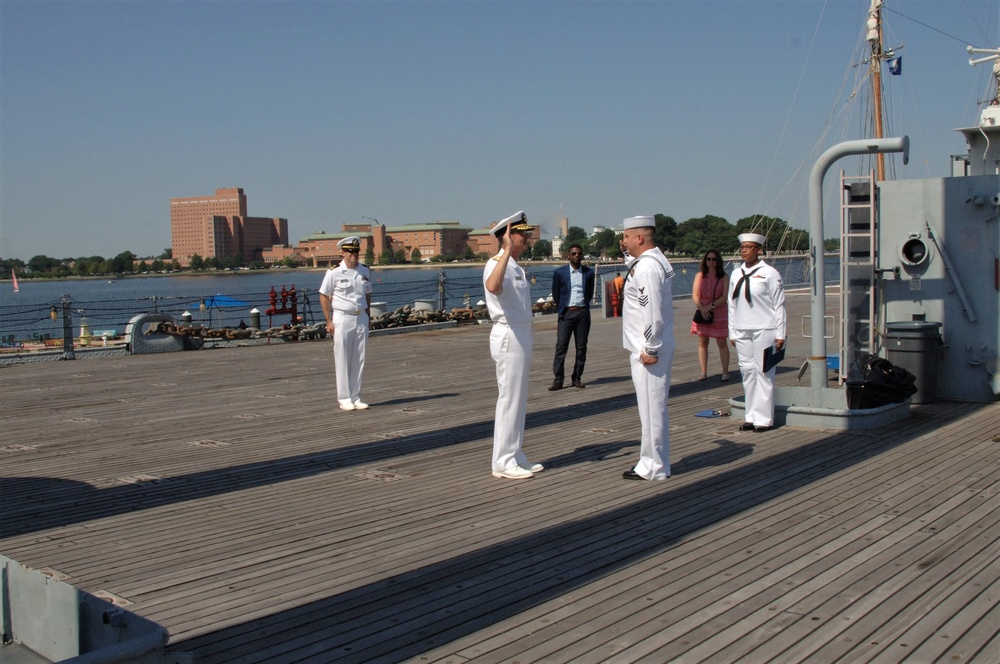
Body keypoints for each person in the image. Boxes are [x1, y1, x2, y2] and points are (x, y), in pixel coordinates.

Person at [484, 211, 544, 480]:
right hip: (508, 336)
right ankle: (503, 461)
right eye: (522, 234)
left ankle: (515, 453)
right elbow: (493, 286)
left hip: (521, 335)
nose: (527, 238)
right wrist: (506, 251)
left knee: (518, 400)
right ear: (506, 237)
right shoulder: (497, 263)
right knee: (509, 399)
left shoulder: (515, 266)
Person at [620, 216, 675, 481]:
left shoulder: (647, 269)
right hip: (645, 347)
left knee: (652, 410)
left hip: (648, 350)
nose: (624, 241)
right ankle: (651, 460)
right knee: (650, 409)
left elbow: (651, 311)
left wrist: (651, 348)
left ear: (640, 238)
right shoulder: (648, 263)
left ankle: (654, 466)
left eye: (627, 237)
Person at [728, 233, 786, 432]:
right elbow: (731, 304)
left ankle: (764, 418)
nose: (744, 250)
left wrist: (781, 332)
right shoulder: (736, 274)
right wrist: (732, 331)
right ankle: (751, 415)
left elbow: (779, 304)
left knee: (764, 372)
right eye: (742, 247)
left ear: (758, 250)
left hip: (765, 327)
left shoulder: (769, 273)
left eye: (749, 247)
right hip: (743, 328)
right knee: (747, 372)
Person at [319, 236, 372, 411]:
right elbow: (324, 295)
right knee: (342, 357)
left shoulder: (365, 271)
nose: (354, 254)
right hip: (342, 317)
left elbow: (367, 294)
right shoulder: (334, 272)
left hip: (361, 317)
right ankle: (344, 398)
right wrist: (328, 320)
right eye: (350, 251)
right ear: (343, 252)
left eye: (356, 251)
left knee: (359, 357)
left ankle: (355, 396)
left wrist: (368, 315)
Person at [549, 243, 596, 391]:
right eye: (574, 253)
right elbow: (556, 294)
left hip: (582, 313)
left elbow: (588, 293)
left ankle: (577, 378)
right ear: (568, 256)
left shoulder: (588, 273)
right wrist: (563, 308)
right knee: (561, 346)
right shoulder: (560, 273)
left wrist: (583, 307)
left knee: (581, 347)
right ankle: (558, 379)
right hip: (567, 313)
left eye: (579, 254)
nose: (577, 256)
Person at [690, 249, 731, 381]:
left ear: (718, 261)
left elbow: (724, 297)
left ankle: (725, 372)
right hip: (702, 310)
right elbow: (695, 295)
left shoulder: (724, 277)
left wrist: (710, 307)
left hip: (718, 310)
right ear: (705, 261)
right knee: (703, 341)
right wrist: (702, 308)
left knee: (721, 341)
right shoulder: (699, 276)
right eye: (708, 259)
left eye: (714, 259)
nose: (711, 262)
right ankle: (703, 372)